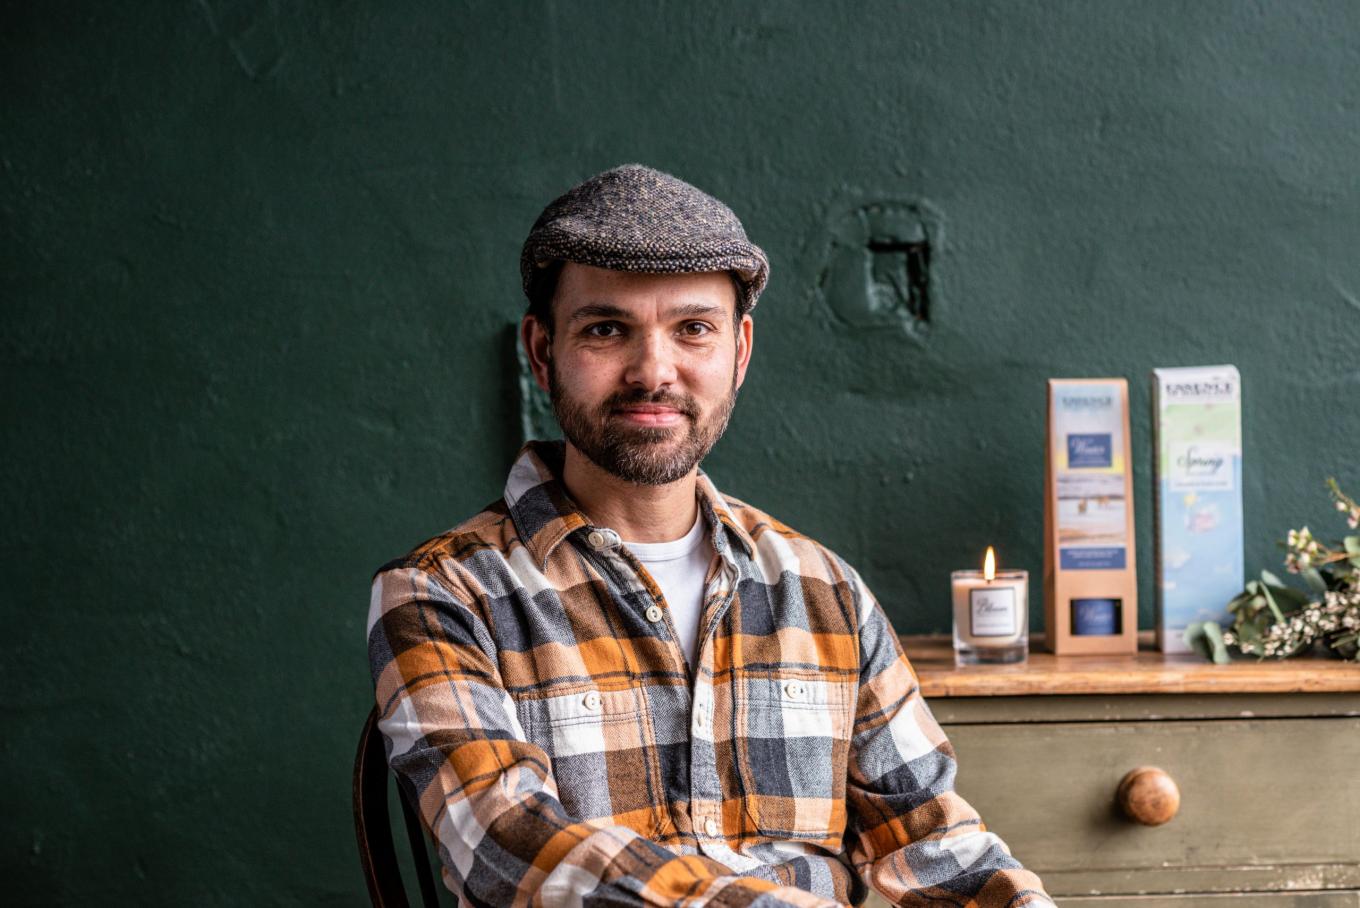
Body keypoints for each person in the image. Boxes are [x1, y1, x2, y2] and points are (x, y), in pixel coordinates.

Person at [366, 164, 1054, 907]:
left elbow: (934, 848)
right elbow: (505, 846)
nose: (653, 371)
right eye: (605, 329)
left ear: (740, 352)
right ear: (541, 352)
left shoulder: (824, 591)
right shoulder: (441, 593)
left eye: (693, 329)